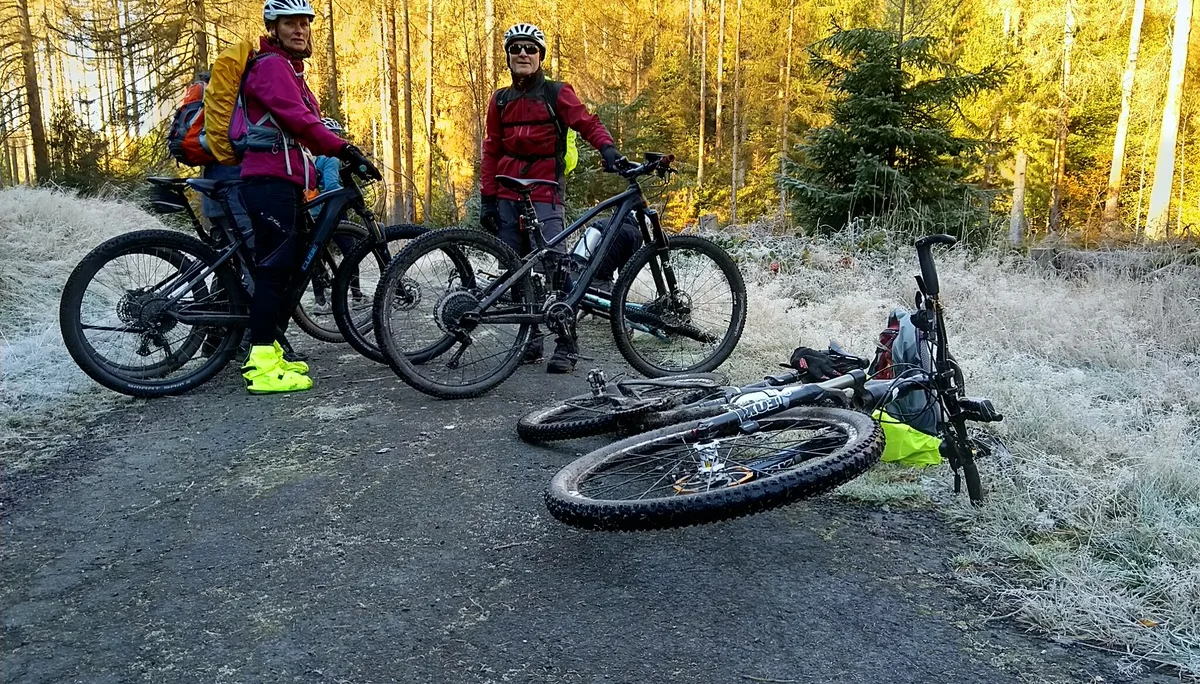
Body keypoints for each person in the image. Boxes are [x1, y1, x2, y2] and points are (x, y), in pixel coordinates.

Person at [238, 0, 381, 394]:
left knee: (286, 266)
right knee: (274, 269)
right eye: (290, 24)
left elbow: (309, 125)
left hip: (284, 180)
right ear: (273, 28)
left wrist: (340, 151)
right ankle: (261, 364)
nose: (299, 30)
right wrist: (343, 148)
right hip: (268, 179)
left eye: (304, 24)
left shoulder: (289, 69)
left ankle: (270, 351)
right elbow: (298, 120)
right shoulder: (271, 66)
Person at [479, 22, 627, 374]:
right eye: (516, 49)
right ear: (508, 57)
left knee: (555, 266)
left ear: (540, 56)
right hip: (506, 193)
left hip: (545, 190)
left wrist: (607, 149)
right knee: (515, 269)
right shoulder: (500, 100)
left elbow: (587, 122)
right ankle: (530, 340)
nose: (523, 54)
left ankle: (566, 343)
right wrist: (487, 199)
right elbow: (491, 149)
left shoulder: (557, 93)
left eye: (530, 48)